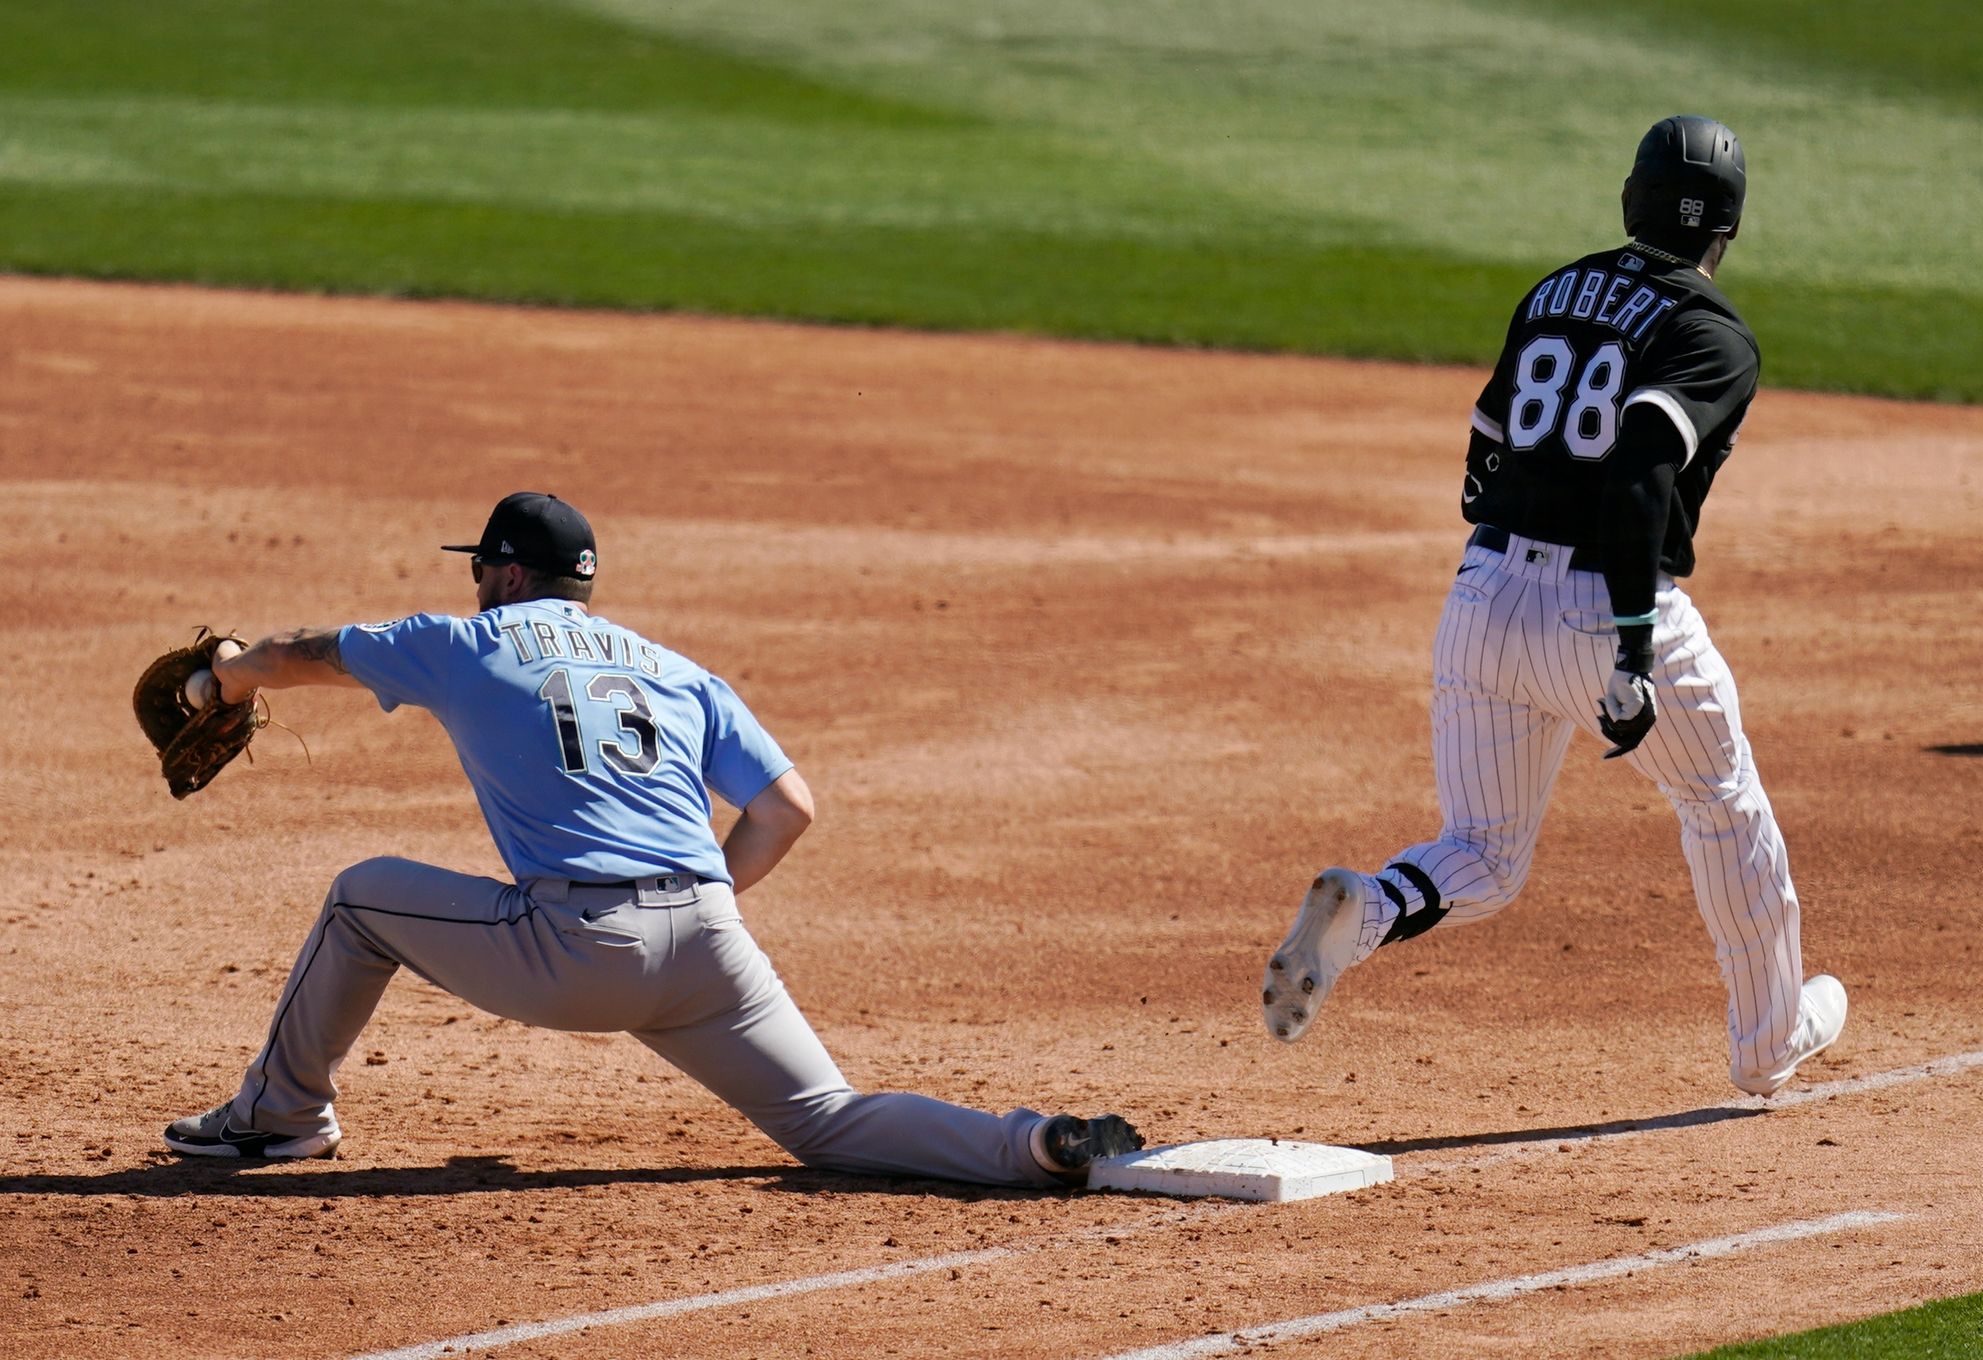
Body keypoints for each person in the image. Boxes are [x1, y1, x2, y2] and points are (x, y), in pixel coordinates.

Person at [164, 491, 1142, 1185]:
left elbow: (304, 654)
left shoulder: (465, 644)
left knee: (360, 898)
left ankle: (280, 1118)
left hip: (571, 949)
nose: (475, 588)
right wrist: (690, 908)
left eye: (481, 571)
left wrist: (224, 680)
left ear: (506, 572)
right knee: (827, 1118)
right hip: (712, 941)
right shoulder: (672, 667)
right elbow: (787, 807)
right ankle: (1035, 1145)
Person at [1260, 116, 1846, 1097]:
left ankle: (1361, 909)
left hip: (1484, 596)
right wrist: (1626, 645)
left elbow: (1488, 445)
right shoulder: (1713, 333)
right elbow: (1640, 475)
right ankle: (1767, 1041)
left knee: (1481, 852)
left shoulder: (1556, 291)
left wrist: (1514, 549)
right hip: (1607, 608)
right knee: (1720, 800)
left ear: (1630, 200)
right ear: (1728, 232)